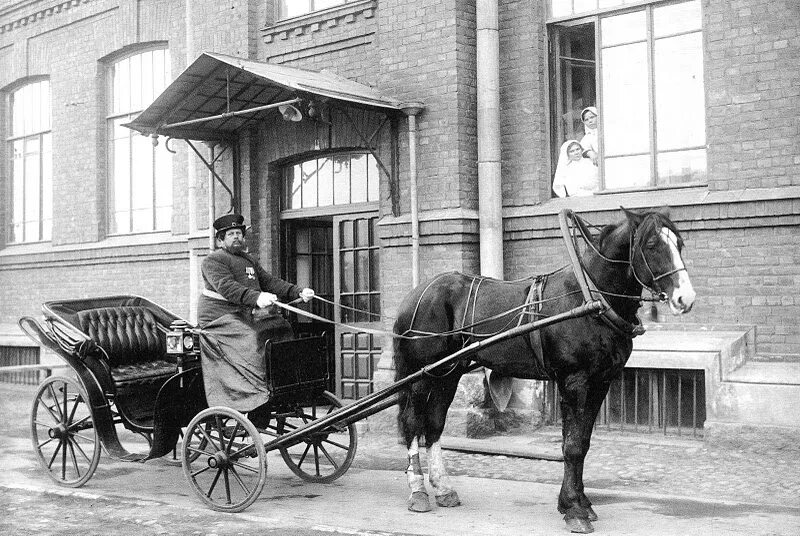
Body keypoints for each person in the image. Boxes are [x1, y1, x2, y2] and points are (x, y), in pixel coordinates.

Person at [197, 213, 314, 425]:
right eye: (230, 234)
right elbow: (227, 287)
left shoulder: (248, 260)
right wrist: (256, 297)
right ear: (220, 240)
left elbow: (270, 282)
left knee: (281, 327)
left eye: (238, 233)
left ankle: (278, 388)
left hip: (243, 314)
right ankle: (256, 396)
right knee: (254, 336)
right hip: (218, 318)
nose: (236, 237)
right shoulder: (213, 260)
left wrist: (298, 291)